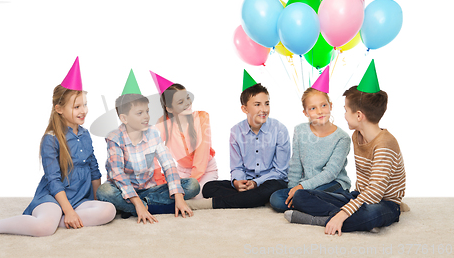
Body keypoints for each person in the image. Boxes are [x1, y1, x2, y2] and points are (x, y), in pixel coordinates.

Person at [0, 57, 116, 237]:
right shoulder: (51, 139)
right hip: (55, 197)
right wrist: (69, 211)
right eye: (77, 106)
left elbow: (94, 169)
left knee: (108, 210)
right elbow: (54, 180)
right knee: (44, 228)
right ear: (59, 109)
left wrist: (95, 201)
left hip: (80, 197)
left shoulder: (85, 134)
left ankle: (61, 219)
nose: (83, 111)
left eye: (85, 104)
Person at [285, 60, 406, 235]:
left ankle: (318, 220)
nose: (343, 115)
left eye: (346, 110)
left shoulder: (385, 144)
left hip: (384, 203)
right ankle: (349, 219)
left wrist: (342, 215)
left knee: (368, 214)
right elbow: (363, 193)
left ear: (358, 115)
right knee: (301, 196)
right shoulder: (357, 136)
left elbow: (375, 193)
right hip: (358, 197)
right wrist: (346, 208)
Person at [96, 69, 199, 224]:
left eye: (147, 111)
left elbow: (168, 164)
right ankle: (145, 207)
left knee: (192, 185)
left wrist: (178, 196)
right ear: (124, 118)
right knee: (104, 192)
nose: (146, 116)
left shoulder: (153, 133)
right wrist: (137, 202)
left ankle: (131, 207)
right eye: (139, 113)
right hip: (123, 190)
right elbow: (117, 174)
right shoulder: (114, 138)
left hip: (150, 190)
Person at [187, 70, 290, 209]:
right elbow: (236, 167)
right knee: (208, 188)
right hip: (248, 182)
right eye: (257, 104)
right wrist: (237, 182)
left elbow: (280, 172)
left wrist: (256, 183)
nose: (264, 109)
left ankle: (217, 203)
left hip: (270, 181)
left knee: (272, 188)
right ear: (244, 108)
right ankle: (253, 199)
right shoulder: (236, 132)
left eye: (267, 103)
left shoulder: (280, 130)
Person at [269, 68, 352, 212]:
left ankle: (313, 205)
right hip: (306, 187)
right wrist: (292, 191)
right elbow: (295, 165)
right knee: (276, 198)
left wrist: (301, 188)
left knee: (303, 196)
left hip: (333, 184)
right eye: (313, 108)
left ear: (330, 106)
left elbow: (330, 173)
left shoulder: (342, 138)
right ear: (305, 112)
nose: (320, 111)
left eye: (323, 105)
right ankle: (314, 205)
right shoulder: (300, 130)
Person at [150, 71, 218, 199]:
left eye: (187, 98)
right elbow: (151, 150)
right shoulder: (164, 124)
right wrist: (160, 180)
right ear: (169, 108)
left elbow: (201, 155)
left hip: (205, 170)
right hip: (181, 172)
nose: (187, 103)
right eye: (180, 102)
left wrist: (189, 183)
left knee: (197, 196)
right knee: (173, 195)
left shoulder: (202, 117)